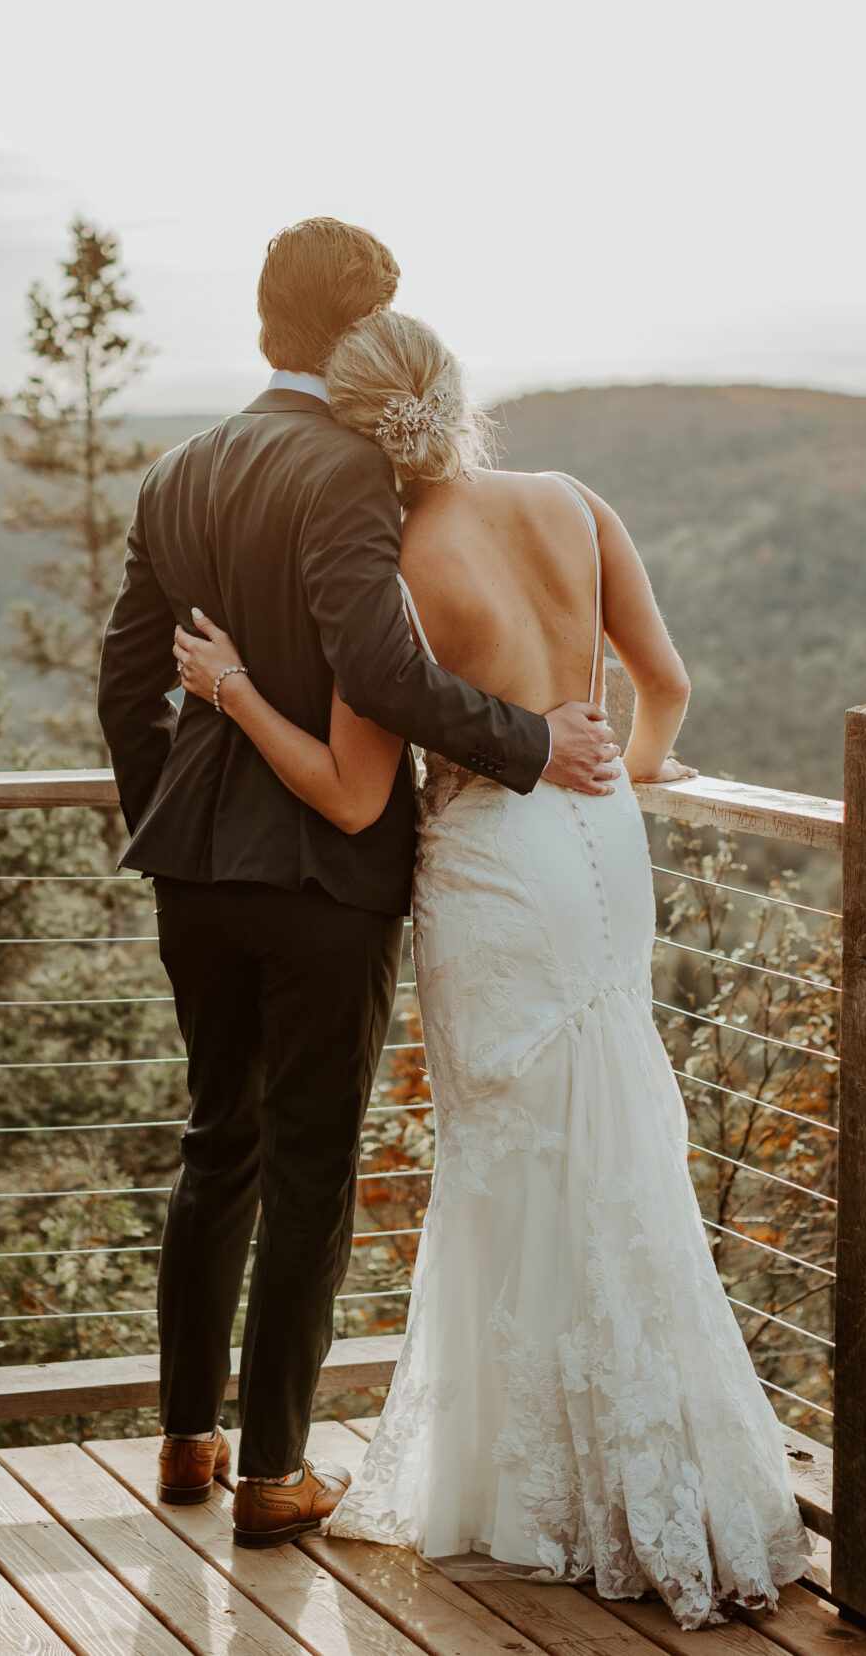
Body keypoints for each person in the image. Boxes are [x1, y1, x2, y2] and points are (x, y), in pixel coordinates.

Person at [169, 309, 812, 1625]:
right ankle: (658, 1469)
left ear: (355, 433)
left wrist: (233, 690)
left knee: (511, 1161)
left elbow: (355, 801)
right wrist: (602, 791)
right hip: (603, 851)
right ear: (458, 399)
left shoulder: (391, 560)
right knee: (621, 1139)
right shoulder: (574, 501)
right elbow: (667, 689)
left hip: (488, 868)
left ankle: (534, 1492)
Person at [97, 219, 624, 1552]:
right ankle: (274, 1467)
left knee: (218, 1141)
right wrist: (531, 742)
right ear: (349, 337)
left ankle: (184, 1438)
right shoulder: (347, 471)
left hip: (192, 864)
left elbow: (123, 689)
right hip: (320, 872)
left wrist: (180, 805)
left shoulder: (177, 472)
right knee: (311, 1163)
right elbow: (379, 677)